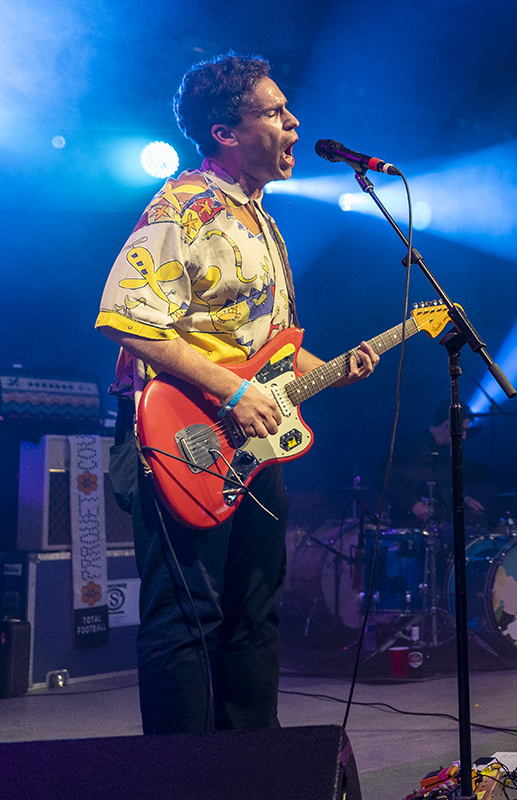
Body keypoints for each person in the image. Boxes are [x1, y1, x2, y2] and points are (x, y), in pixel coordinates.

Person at [95, 54, 379, 734]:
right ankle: (182, 778)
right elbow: (126, 317)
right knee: (188, 616)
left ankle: (257, 767)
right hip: (181, 436)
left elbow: (267, 346)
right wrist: (231, 390)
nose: (294, 122)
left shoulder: (261, 222)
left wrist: (336, 366)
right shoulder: (183, 205)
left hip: (249, 447)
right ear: (226, 131)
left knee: (254, 613)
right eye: (276, 112)